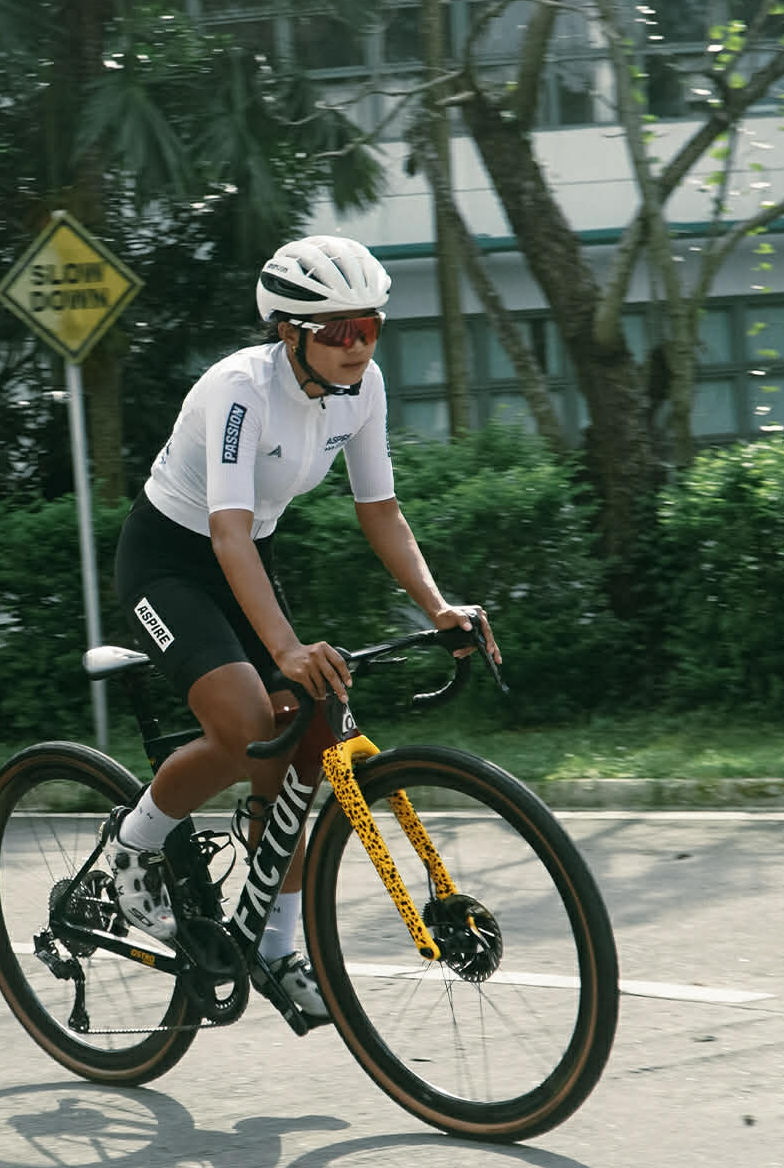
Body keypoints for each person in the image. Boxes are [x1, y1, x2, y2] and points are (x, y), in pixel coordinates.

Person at [109, 235, 498, 1019]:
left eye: (370, 327)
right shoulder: (240, 389)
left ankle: (276, 946)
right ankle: (136, 845)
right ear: (289, 331)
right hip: (169, 564)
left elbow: (380, 509)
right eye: (337, 331)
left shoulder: (363, 388)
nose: (358, 346)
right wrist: (284, 646)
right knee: (247, 721)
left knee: (301, 746)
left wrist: (439, 606)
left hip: (250, 556)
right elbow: (225, 532)